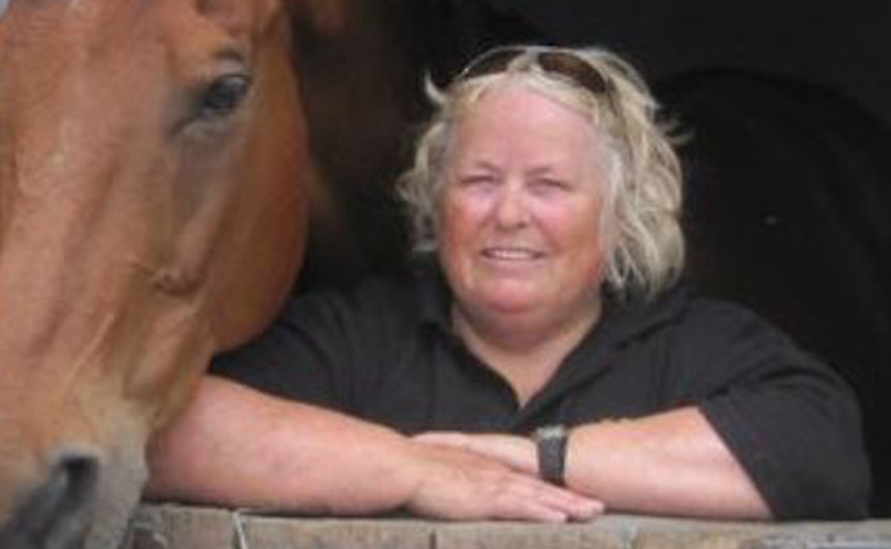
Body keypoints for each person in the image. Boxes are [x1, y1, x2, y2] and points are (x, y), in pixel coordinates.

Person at [146, 45, 871, 521]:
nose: (510, 214)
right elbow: (163, 426)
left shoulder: (694, 342)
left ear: (620, 219)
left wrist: (540, 457)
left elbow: (821, 454)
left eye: (550, 184)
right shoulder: (355, 335)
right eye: (479, 180)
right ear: (437, 203)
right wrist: (413, 470)